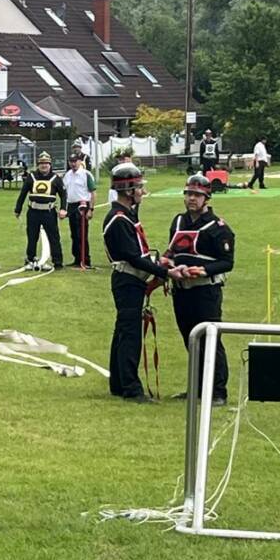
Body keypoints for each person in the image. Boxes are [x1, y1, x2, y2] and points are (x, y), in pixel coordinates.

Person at [164, 174, 235, 407]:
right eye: (188, 194)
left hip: (205, 291)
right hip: (181, 290)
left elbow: (227, 262)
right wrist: (167, 264)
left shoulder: (218, 228)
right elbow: (172, 251)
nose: (192, 199)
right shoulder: (178, 221)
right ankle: (197, 388)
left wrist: (202, 270)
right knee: (190, 339)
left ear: (207, 198)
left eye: (197, 195)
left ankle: (218, 392)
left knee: (210, 339)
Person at [102, 162, 170, 402]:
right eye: (139, 187)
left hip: (131, 280)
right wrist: (163, 271)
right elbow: (133, 257)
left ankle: (118, 383)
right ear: (129, 191)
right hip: (128, 280)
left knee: (123, 330)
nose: (143, 191)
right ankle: (131, 388)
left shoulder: (126, 216)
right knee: (130, 334)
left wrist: (158, 263)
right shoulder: (119, 220)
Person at [14, 150, 66, 270]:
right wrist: (18, 209)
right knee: (32, 237)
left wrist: (63, 209)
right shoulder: (31, 177)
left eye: (46, 163)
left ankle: (58, 261)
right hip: (33, 212)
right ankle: (30, 259)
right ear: (38, 164)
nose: (44, 165)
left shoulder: (56, 178)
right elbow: (23, 193)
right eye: (42, 163)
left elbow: (63, 195)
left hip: (49, 212)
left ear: (50, 164)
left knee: (54, 237)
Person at [62, 152, 97, 268]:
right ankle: (77, 258)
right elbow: (65, 192)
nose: (73, 164)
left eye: (75, 161)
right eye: (71, 161)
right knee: (74, 234)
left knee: (82, 234)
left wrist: (91, 209)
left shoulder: (86, 174)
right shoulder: (67, 175)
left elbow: (93, 193)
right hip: (71, 205)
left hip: (82, 205)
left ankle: (85, 260)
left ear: (80, 161)